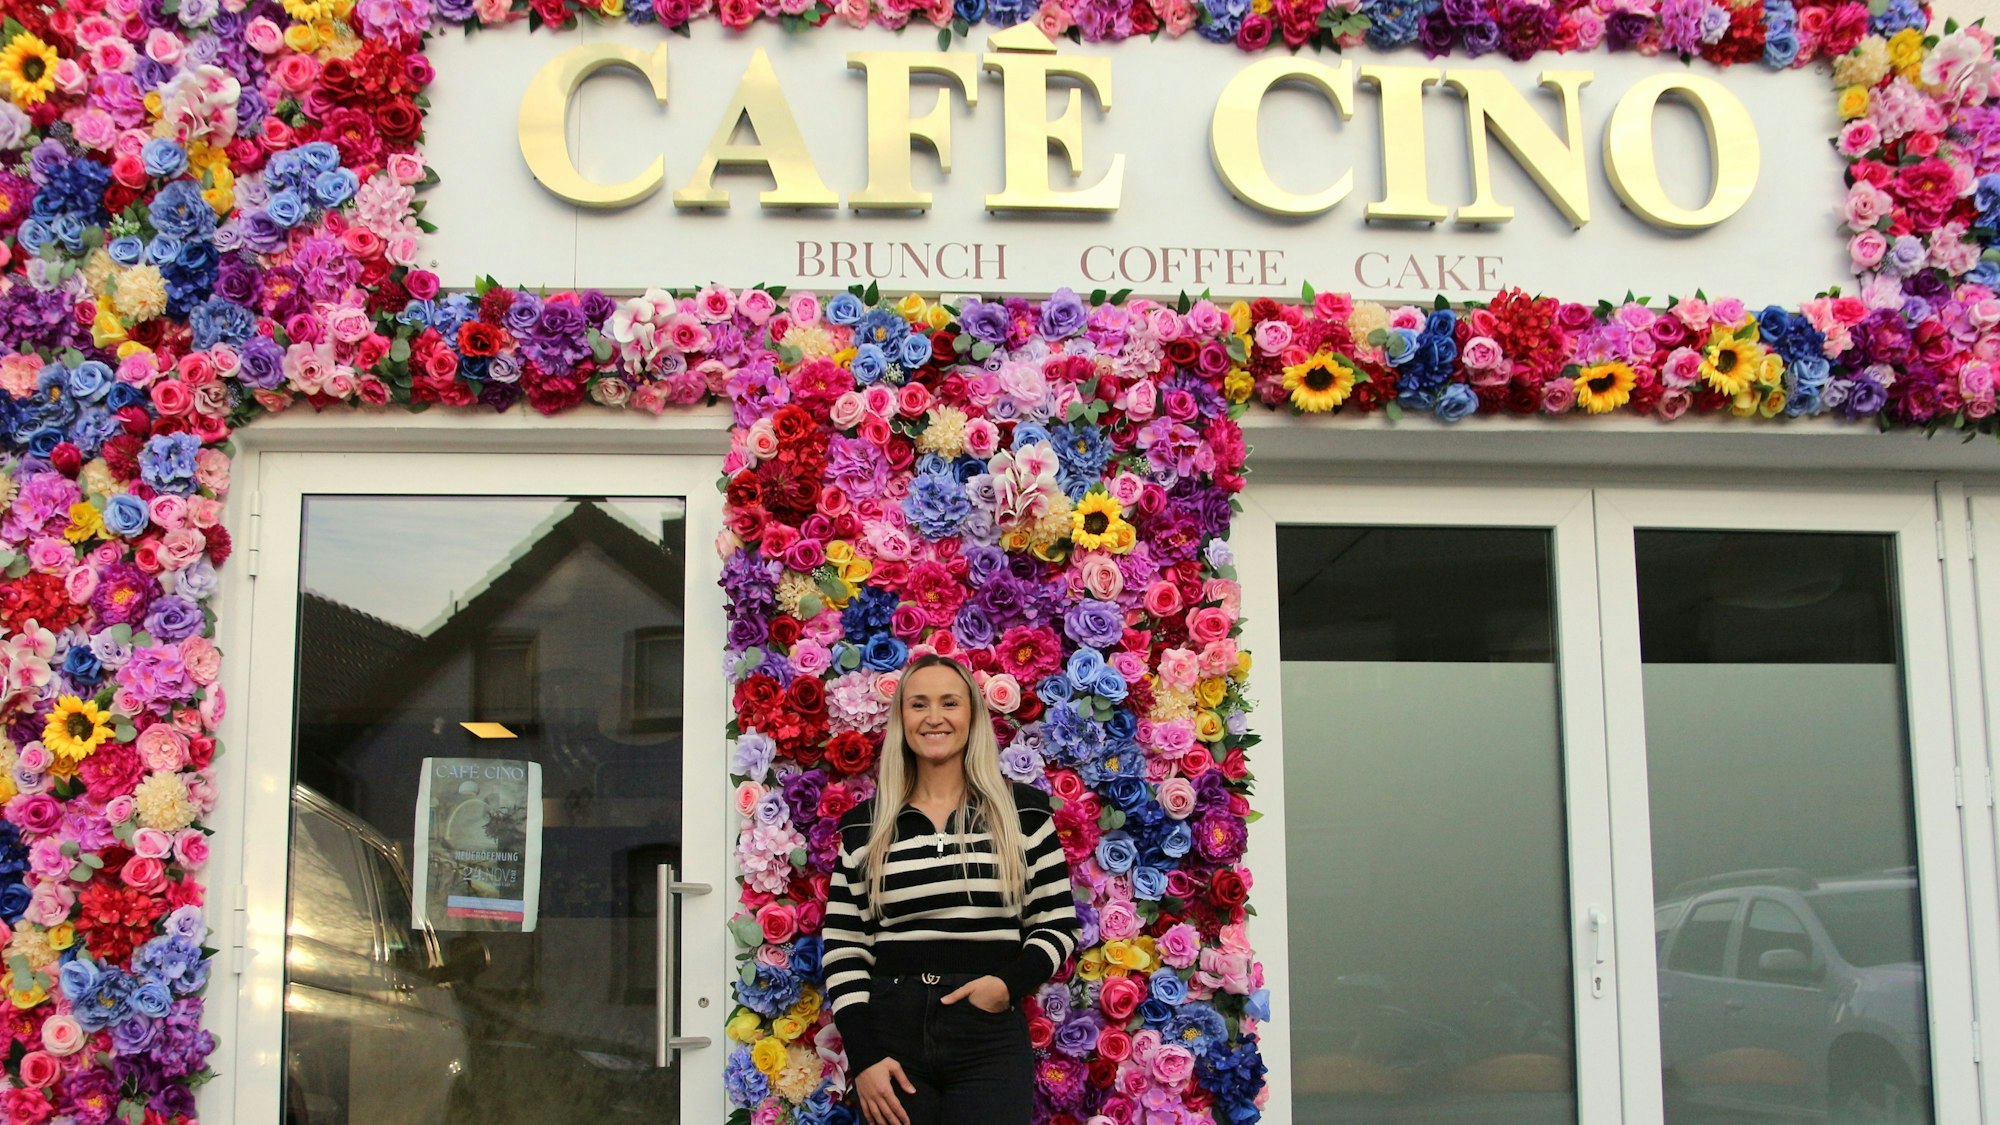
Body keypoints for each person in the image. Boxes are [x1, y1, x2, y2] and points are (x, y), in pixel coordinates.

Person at [822, 653, 1080, 1125]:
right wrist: (863, 1057)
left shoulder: (1023, 813)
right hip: (892, 1037)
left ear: (972, 717)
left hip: (987, 1033)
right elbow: (844, 946)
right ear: (902, 719)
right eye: (919, 705)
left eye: (949, 703)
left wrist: (1005, 986)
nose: (934, 717)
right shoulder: (865, 826)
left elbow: (1058, 922)